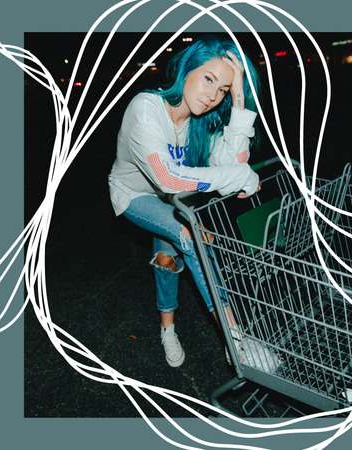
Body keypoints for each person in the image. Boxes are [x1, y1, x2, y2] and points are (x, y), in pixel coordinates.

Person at [108, 36, 262, 367]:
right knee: (190, 238)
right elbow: (168, 178)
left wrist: (238, 100)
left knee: (166, 259)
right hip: (135, 195)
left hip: (172, 201)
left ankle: (167, 330)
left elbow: (232, 164)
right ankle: (237, 341)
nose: (212, 95)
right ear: (187, 69)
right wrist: (239, 176)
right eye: (208, 79)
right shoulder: (146, 108)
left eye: (221, 89)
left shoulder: (202, 122)